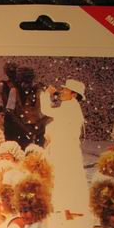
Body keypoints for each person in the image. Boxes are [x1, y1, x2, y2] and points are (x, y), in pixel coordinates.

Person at [40, 79, 90, 217]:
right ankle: (68, 208)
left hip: (65, 149)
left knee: (65, 176)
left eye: (65, 90)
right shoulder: (70, 106)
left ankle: (68, 208)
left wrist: (46, 94)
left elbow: (46, 110)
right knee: (67, 176)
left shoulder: (70, 108)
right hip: (65, 148)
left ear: (73, 94)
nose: (61, 92)